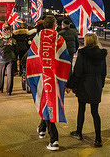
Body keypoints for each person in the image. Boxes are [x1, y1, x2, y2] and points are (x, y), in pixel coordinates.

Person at [26, 15, 71, 151]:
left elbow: (30, 59)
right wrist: (66, 81)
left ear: (44, 25)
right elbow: (66, 60)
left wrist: (31, 79)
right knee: (48, 103)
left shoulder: (37, 38)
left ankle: (54, 139)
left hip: (40, 78)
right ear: (54, 25)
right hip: (55, 79)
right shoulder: (59, 39)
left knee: (46, 104)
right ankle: (42, 129)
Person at [66, 33, 107, 147]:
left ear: (87, 41)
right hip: (96, 84)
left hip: (84, 84)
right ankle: (98, 138)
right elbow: (104, 72)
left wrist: (70, 85)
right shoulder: (101, 55)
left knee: (81, 109)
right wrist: (102, 85)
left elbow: (77, 72)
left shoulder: (83, 54)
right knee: (95, 112)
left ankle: (79, 132)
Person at [0, 24, 17, 95]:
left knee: (1, 74)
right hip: (11, 58)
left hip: (2, 59)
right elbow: (16, 50)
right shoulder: (13, 40)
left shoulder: (1, 40)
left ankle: (0, 88)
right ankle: (9, 91)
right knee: (10, 75)